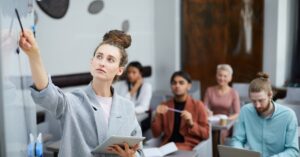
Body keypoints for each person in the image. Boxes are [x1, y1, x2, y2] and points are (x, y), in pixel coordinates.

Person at [19, 29, 143, 157]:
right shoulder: (72, 101)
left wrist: (132, 156)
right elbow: (46, 91)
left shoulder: (127, 107)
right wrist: (34, 54)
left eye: (110, 60)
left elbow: (139, 151)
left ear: (120, 70)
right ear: (92, 62)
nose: (102, 62)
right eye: (99, 56)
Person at [231, 72, 299, 157]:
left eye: (261, 100)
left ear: (270, 95)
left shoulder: (288, 115)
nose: (257, 105)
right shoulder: (245, 111)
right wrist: (239, 152)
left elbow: (293, 151)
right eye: (253, 101)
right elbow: (237, 140)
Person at [151, 71, 209, 150]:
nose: (177, 85)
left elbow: (206, 133)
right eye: (174, 83)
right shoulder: (165, 105)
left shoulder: (198, 105)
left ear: (189, 86)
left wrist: (192, 124)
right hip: (167, 146)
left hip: (188, 146)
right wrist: (156, 116)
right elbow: (156, 134)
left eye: (181, 83)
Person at [204, 64, 240, 143]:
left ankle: (218, 153)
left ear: (230, 78)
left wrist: (227, 119)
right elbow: (204, 107)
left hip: (225, 122)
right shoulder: (209, 90)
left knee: (221, 134)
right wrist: (207, 112)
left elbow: (237, 113)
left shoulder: (234, 93)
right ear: (216, 76)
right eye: (220, 75)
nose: (222, 78)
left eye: (225, 76)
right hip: (211, 120)